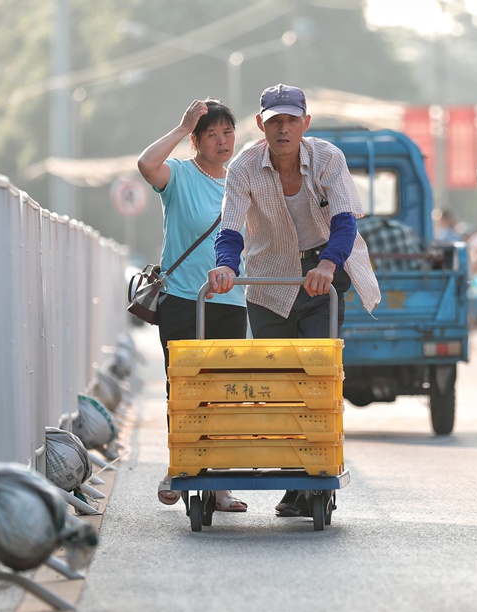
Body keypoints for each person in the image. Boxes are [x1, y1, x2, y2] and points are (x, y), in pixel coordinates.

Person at [206, 83, 380, 517]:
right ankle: (294, 479)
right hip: (267, 281)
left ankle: (313, 477)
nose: (283, 129)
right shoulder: (244, 165)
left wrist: (328, 265)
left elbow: (344, 220)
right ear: (261, 124)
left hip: (323, 277)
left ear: (305, 122)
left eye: (291, 120)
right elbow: (230, 228)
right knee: (278, 383)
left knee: (316, 377)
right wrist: (227, 265)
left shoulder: (328, 158)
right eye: (274, 121)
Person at [137, 98, 248, 512]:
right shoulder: (180, 176)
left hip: (232, 302)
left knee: (223, 393)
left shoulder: (241, 181)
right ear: (198, 141)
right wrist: (182, 126)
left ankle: (219, 487)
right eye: (212, 135)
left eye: (228, 133)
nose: (222, 142)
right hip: (184, 299)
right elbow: (147, 165)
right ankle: (181, 469)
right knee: (183, 390)